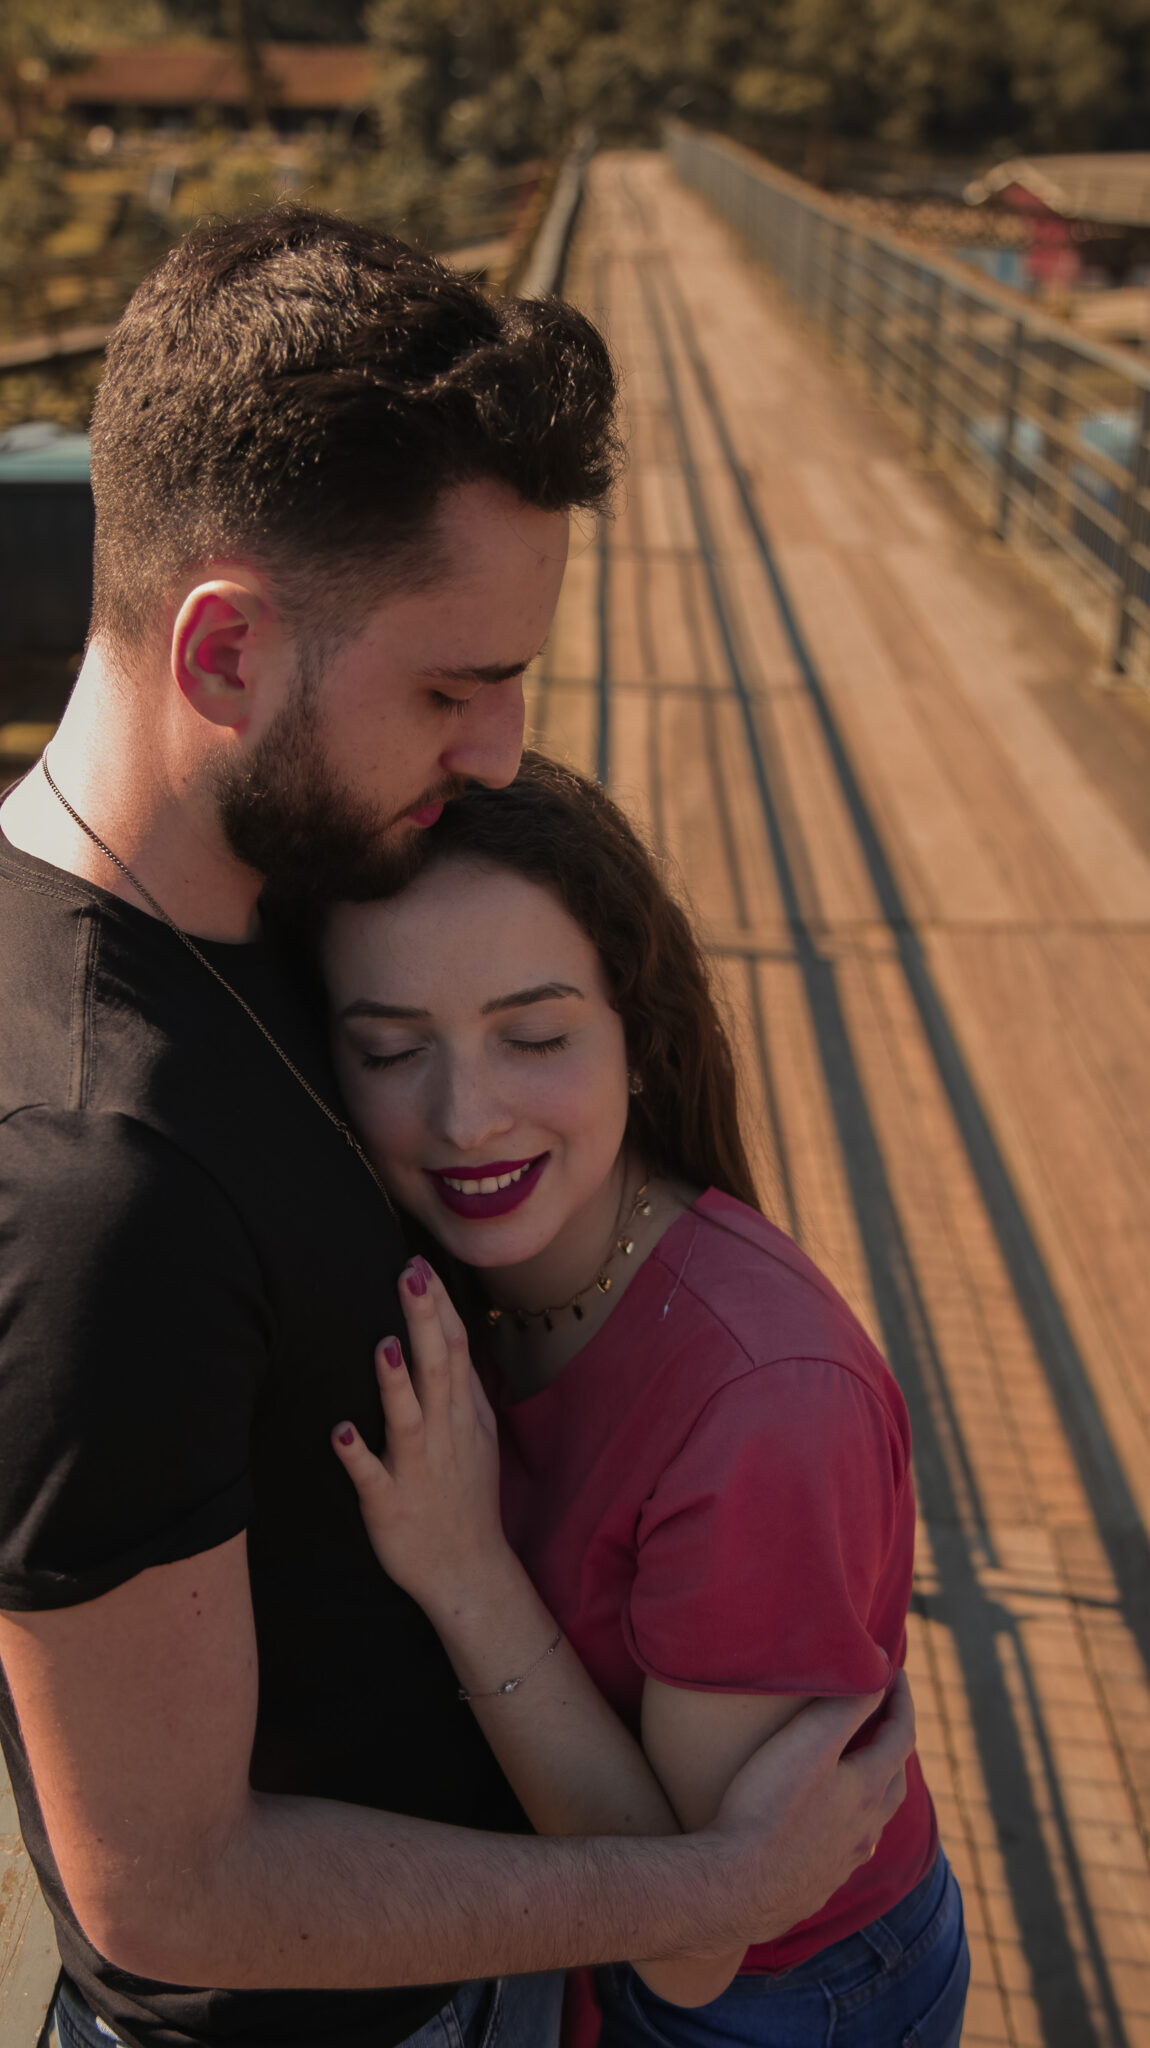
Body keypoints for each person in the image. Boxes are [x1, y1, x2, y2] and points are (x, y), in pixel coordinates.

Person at [0, 208, 914, 2048]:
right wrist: (704, 1890)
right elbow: (162, 1889)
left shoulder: (268, 896)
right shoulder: (107, 1178)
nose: (499, 753)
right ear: (223, 655)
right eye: (449, 686)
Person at [316, 753, 970, 2048]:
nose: (464, 1116)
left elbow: (690, 1947)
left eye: (536, 1038)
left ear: (637, 1036)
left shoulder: (766, 1409)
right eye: (390, 1050)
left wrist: (463, 1570)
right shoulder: (457, 1275)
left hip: (782, 1998)